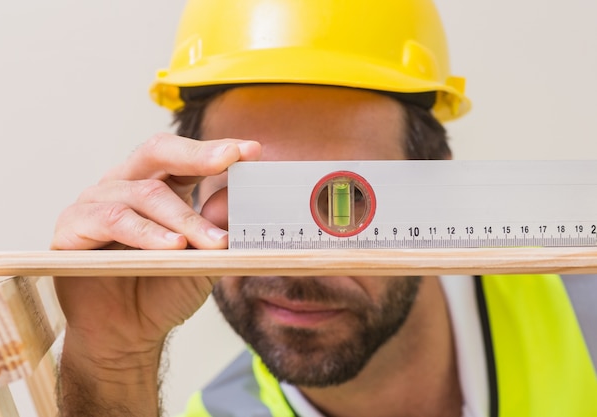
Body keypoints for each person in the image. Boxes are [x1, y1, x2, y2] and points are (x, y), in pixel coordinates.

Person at [51, 0, 597, 416]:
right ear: (188, 199)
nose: (296, 262)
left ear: (439, 195)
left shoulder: (585, 304)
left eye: (348, 201)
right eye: (256, 205)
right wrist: (114, 360)